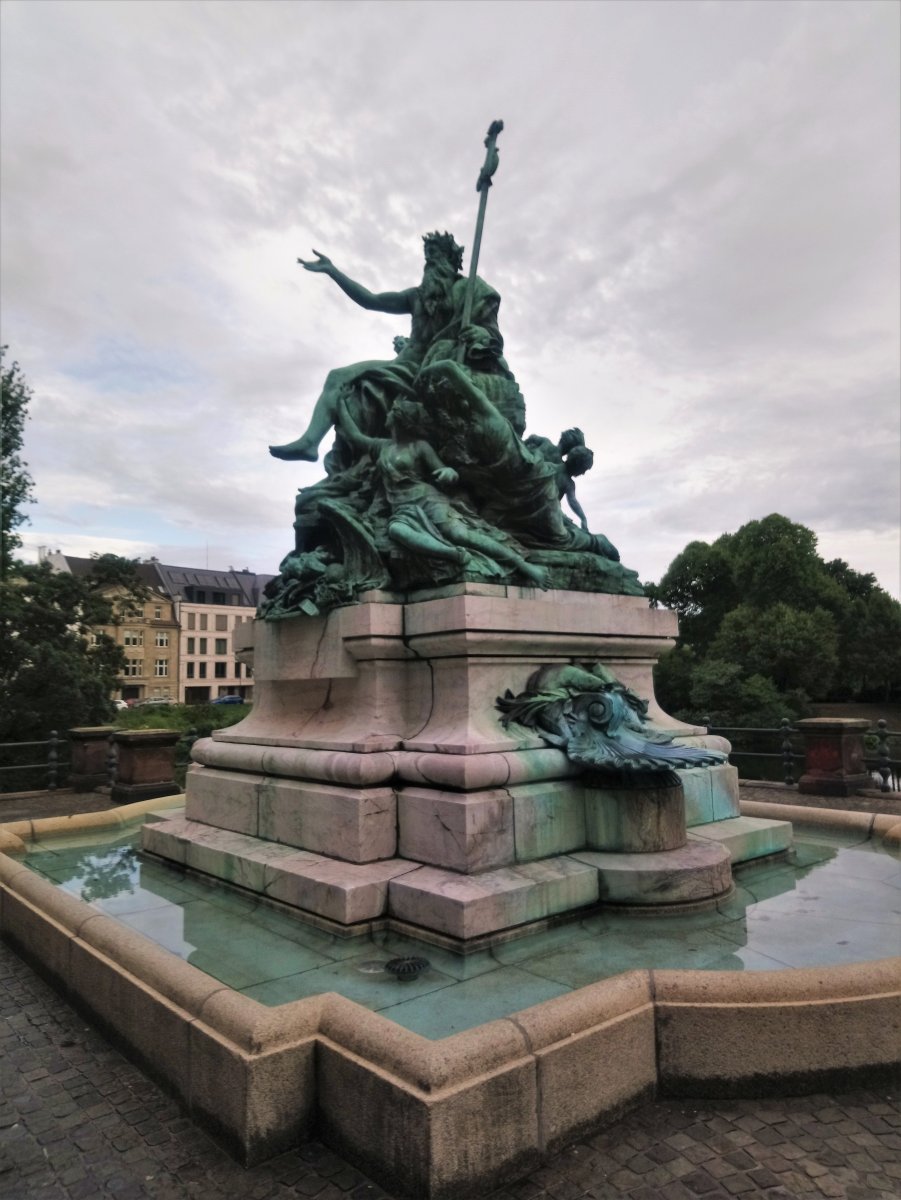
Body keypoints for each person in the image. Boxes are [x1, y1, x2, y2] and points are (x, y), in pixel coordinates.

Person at [269, 232, 509, 462]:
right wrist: (333, 272)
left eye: (434, 254)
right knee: (337, 377)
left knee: (354, 383)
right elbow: (371, 300)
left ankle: (316, 443)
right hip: (404, 364)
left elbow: (490, 334)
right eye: (427, 256)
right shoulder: (416, 296)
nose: (429, 262)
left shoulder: (471, 292)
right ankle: (310, 442)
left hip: (434, 365)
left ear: (450, 259)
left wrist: (480, 333)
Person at [335, 394, 548, 587]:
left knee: (459, 533)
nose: (388, 413)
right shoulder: (382, 447)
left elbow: (446, 471)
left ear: (400, 418)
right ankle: (453, 554)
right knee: (396, 531)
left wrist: (448, 472)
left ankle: (524, 567)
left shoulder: (420, 446)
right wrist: (339, 403)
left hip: (427, 499)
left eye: (392, 410)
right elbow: (354, 436)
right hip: (402, 508)